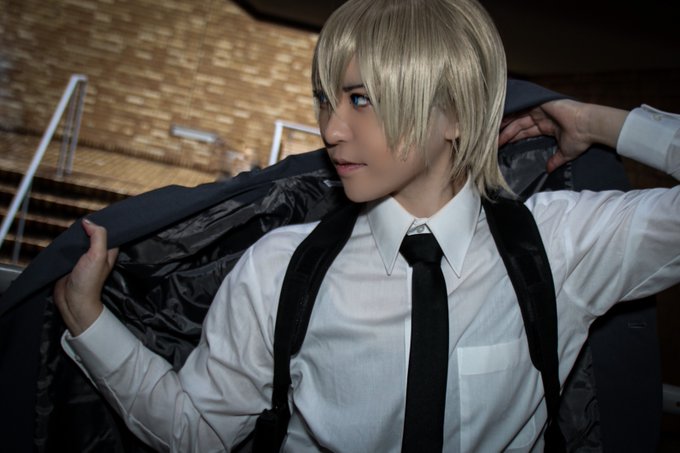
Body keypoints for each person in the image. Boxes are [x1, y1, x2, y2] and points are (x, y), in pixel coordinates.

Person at [53, 0, 679, 451]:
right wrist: (89, 322)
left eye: (360, 99)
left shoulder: (560, 246)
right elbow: (198, 434)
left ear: (455, 115)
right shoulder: (281, 268)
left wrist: (599, 123)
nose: (330, 129)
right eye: (326, 99)